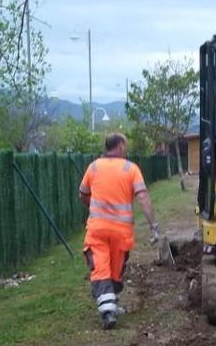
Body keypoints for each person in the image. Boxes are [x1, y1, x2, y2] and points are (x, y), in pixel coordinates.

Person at [79, 132, 161, 330]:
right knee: (115, 271)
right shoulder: (130, 168)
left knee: (101, 268)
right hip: (121, 232)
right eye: (126, 145)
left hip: (97, 229)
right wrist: (153, 225)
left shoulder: (94, 166)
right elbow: (143, 197)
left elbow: (82, 193)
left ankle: (108, 308)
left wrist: (95, 208)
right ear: (121, 146)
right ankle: (109, 309)